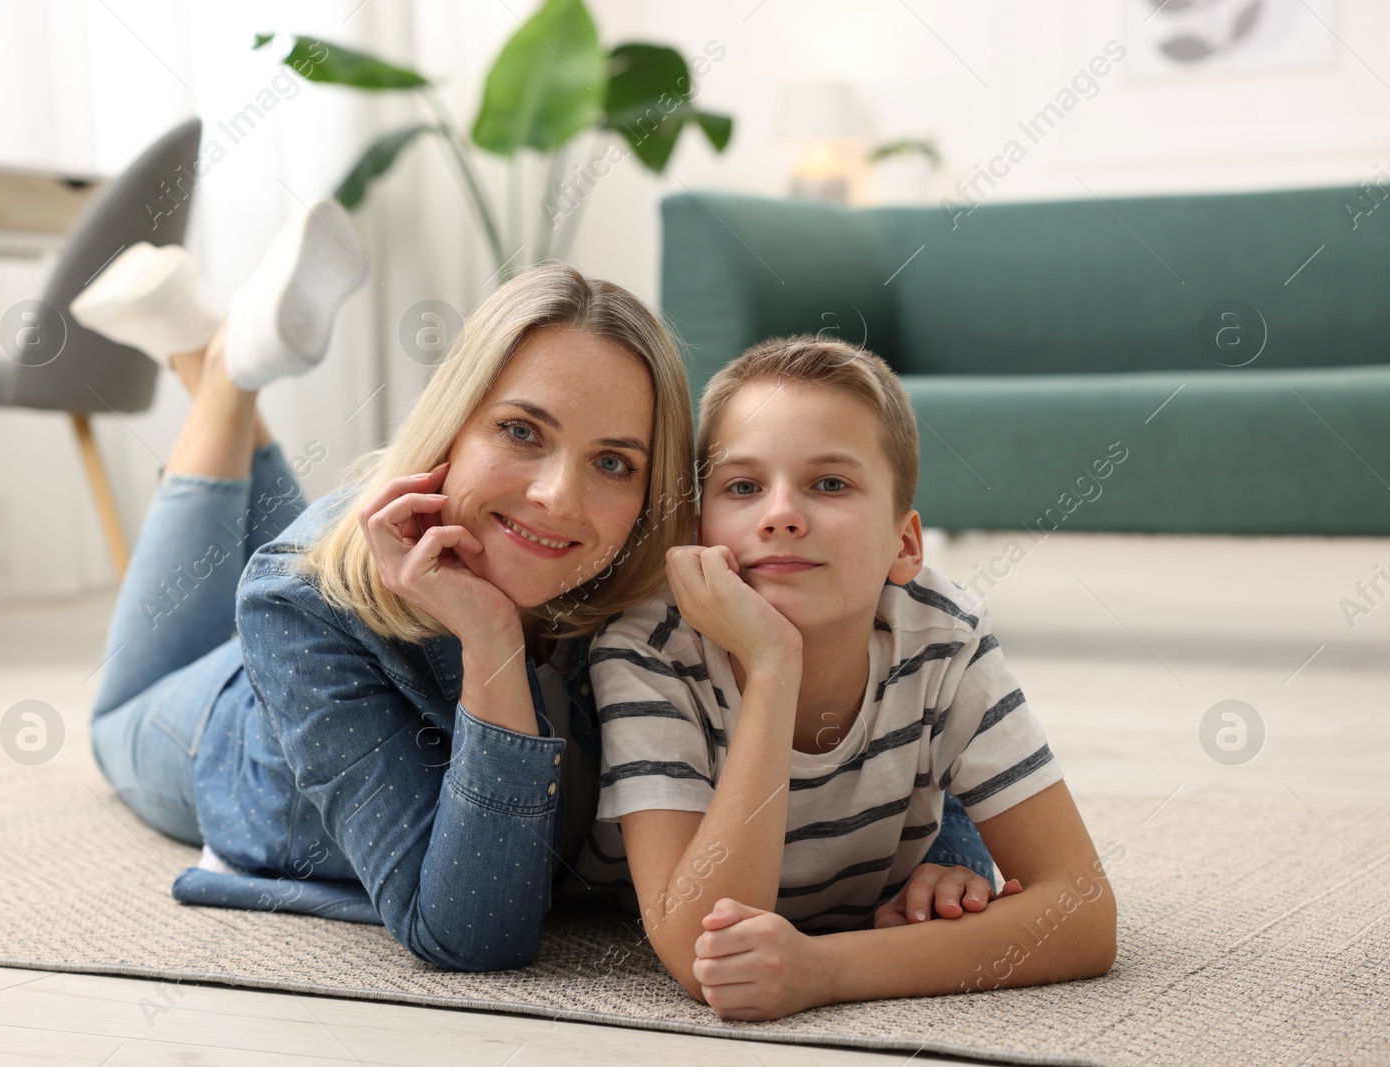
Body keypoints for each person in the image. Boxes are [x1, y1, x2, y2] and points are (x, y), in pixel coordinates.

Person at [77, 199, 1000, 972]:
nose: (560, 496)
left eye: (613, 461)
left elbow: (876, 680)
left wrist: (947, 849)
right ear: (455, 423)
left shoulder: (660, 575)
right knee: (113, 717)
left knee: (322, 540)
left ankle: (211, 353)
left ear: (656, 492)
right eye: (521, 431)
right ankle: (224, 373)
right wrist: (492, 642)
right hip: (231, 732)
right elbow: (470, 930)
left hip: (371, 563)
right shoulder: (297, 602)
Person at [591, 335, 1118, 1017]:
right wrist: (774, 664)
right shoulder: (647, 651)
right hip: (604, 881)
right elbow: (706, 951)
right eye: (744, 486)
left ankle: (948, 837)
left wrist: (826, 969)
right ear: (699, 530)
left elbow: (1083, 914)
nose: (780, 513)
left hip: (870, 858)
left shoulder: (943, 634)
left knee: (956, 864)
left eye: (829, 483)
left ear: (904, 545)